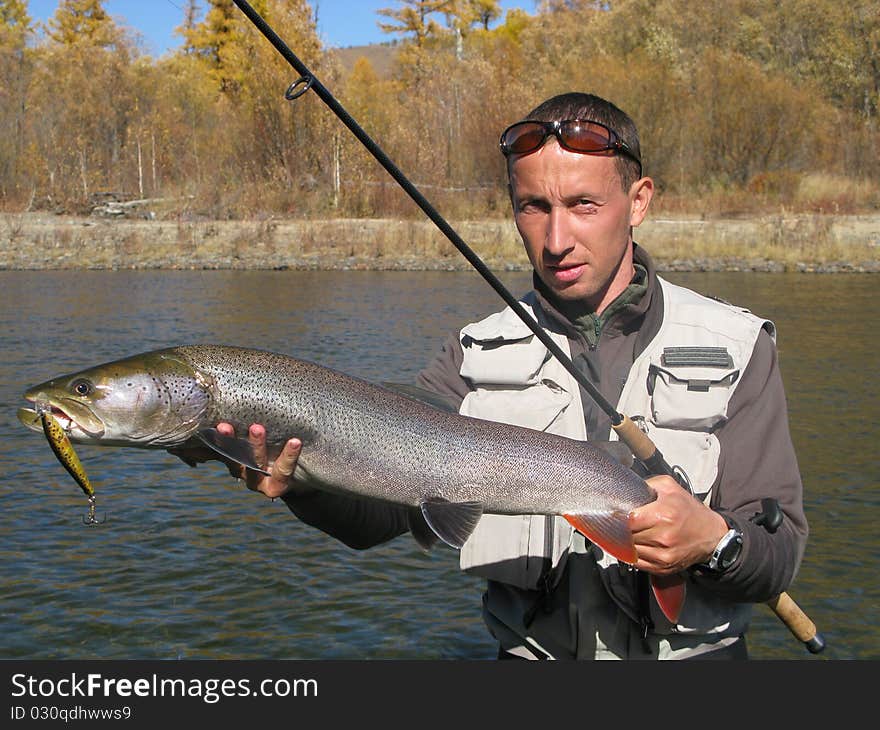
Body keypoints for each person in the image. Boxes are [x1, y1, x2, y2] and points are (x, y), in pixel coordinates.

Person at [190, 92, 808, 660]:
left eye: (583, 204)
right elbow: (381, 519)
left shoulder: (737, 346)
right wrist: (304, 479)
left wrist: (716, 541)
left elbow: (778, 557)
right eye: (534, 206)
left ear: (639, 200)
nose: (557, 238)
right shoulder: (471, 355)